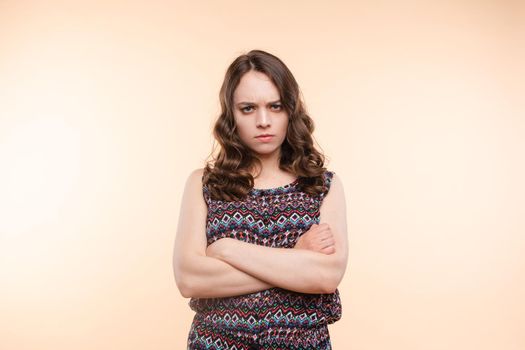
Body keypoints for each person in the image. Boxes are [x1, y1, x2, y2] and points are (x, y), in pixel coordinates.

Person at [173, 49, 348, 350]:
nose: (264, 121)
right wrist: (295, 259)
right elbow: (190, 279)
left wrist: (227, 250)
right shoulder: (204, 184)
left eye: (275, 106)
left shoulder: (321, 186)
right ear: (231, 115)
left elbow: (325, 276)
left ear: (291, 110)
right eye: (248, 108)